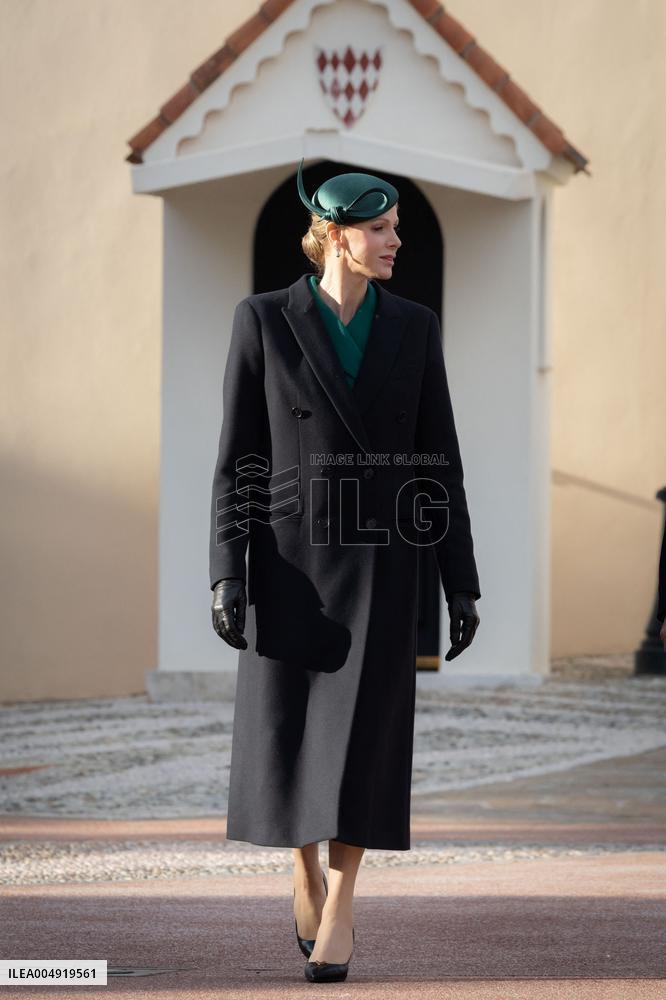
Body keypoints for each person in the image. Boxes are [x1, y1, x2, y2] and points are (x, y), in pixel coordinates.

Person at [208, 160, 481, 983]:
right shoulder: (262, 320)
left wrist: (458, 577)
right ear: (334, 235)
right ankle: (302, 866)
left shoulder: (415, 326)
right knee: (291, 731)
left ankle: (345, 897)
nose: (397, 239)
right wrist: (227, 570)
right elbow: (239, 461)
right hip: (289, 565)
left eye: (396, 226)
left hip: (383, 563)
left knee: (368, 742)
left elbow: (440, 460)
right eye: (381, 228)